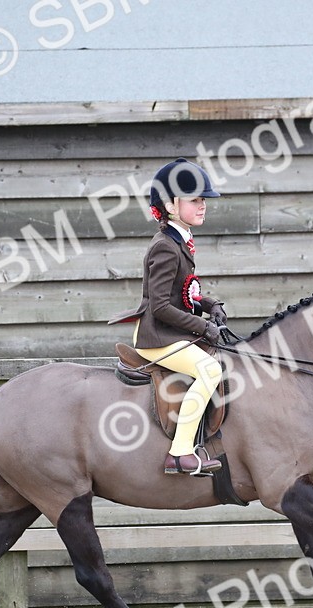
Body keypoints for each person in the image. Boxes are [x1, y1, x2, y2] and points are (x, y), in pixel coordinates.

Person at [109, 158, 228, 476]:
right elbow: (160, 307)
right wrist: (203, 326)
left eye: (204, 200)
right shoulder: (165, 247)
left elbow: (181, 294)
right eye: (195, 200)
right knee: (210, 371)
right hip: (157, 336)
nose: (203, 205)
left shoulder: (180, 241)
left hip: (171, 332)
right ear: (171, 205)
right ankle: (179, 454)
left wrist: (208, 305)